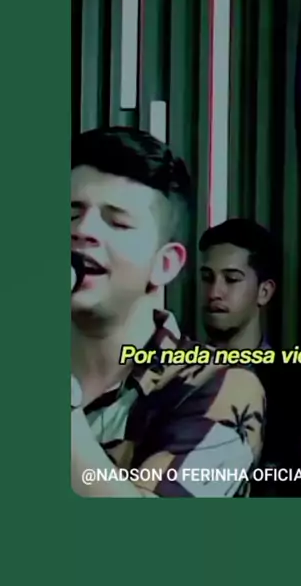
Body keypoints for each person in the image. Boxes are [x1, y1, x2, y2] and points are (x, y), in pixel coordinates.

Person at [71, 127, 265, 498]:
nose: (83, 230)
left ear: (165, 265)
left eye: (117, 222)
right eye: (70, 214)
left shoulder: (216, 385)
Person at [198, 218, 301, 497]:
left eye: (231, 279)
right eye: (207, 278)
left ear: (264, 292)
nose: (214, 292)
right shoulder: (170, 377)